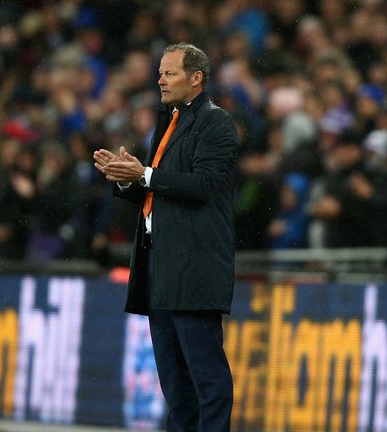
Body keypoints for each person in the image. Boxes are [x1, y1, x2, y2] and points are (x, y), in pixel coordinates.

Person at [93, 43, 237, 431]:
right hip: (160, 264)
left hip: (194, 267)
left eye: (170, 73)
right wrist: (128, 179)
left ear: (196, 79)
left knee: (206, 378)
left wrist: (145, 175)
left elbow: (204, 185)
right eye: (160, 72)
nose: (160, 79)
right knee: (175, 385)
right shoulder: (169, 121)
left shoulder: (215, 122)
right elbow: (160, 187)